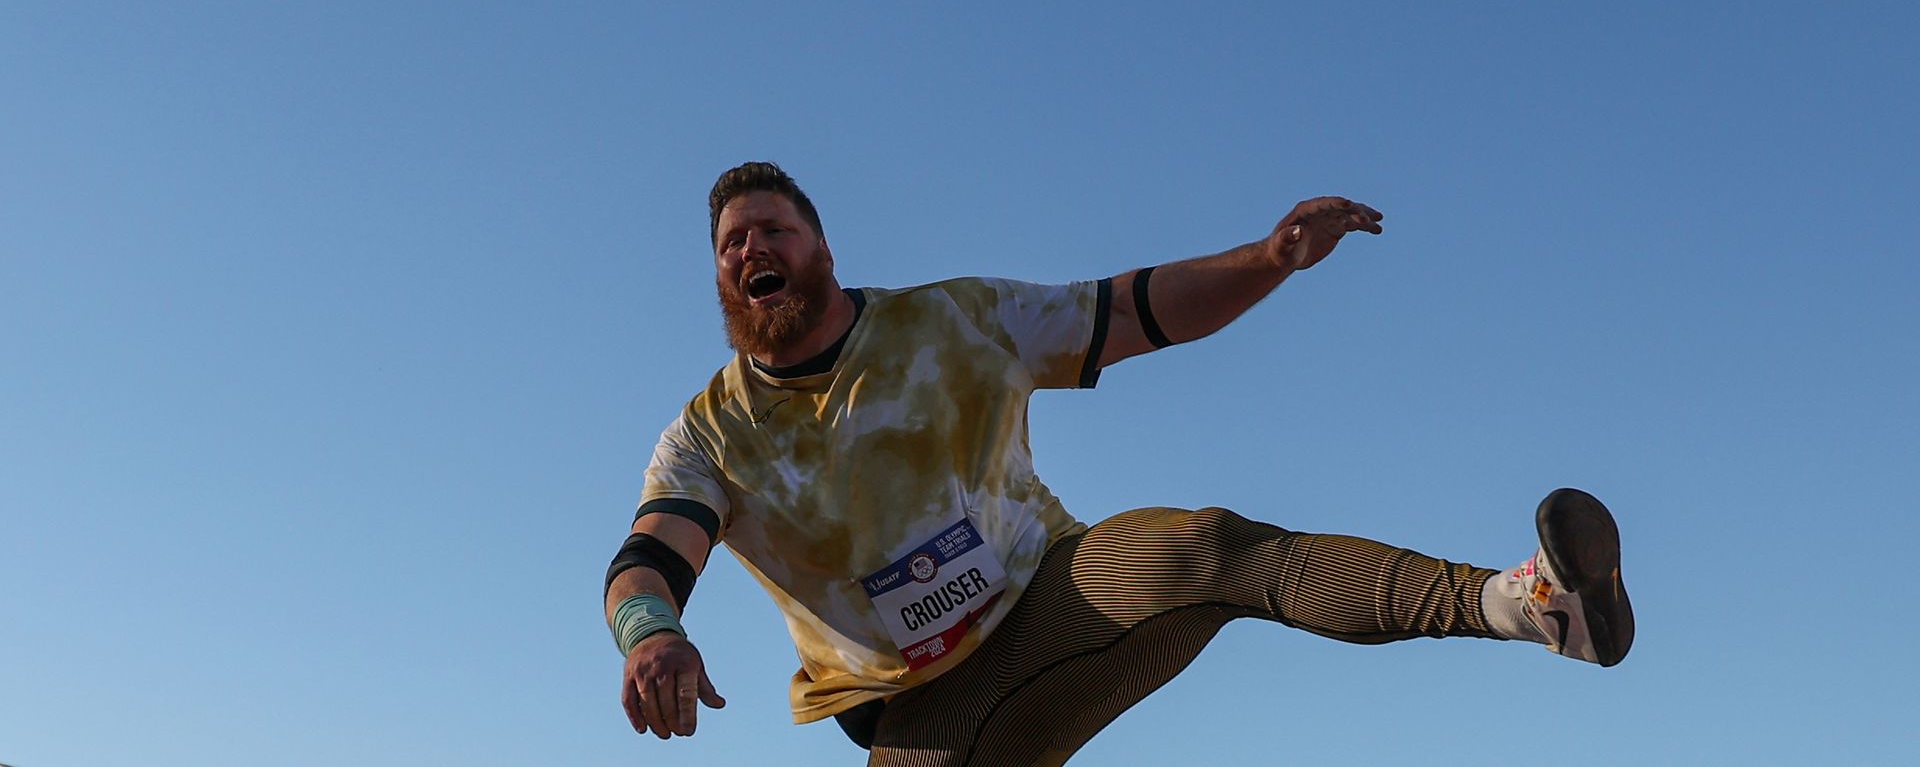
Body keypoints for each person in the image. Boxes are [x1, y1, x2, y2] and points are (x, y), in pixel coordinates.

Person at [605, 162, 1634, 765]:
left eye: (773, 229)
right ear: (721, 276)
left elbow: (1131, 311)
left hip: (1055, 594)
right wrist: (652, 636)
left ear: (822, 250)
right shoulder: (710, 434)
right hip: (924, 714)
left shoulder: (954, 321)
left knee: (1209, 545)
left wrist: (1268, 258)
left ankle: (1534, 605)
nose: (752, 248)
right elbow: (650, 557)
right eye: (732, 242)